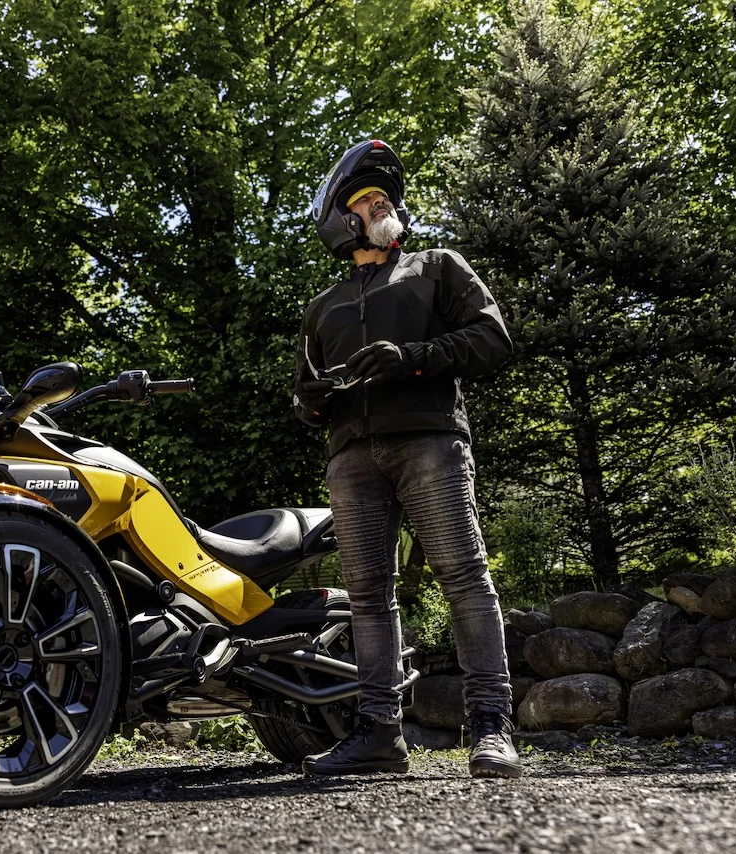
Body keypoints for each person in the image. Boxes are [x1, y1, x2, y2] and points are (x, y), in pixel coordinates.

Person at [292, 139, 521, 779]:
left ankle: (491, 725)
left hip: (429, 441)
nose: (381, 203)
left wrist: (411, 358)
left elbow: (492, 338)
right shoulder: (322, 307)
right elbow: (304, 392)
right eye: (367, 199)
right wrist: (310, 402)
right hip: (350, 458)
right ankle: (379, 733)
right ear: (342, 221)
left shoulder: (436, 267)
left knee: (464, 576)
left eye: (384, 197)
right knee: (368, 596)